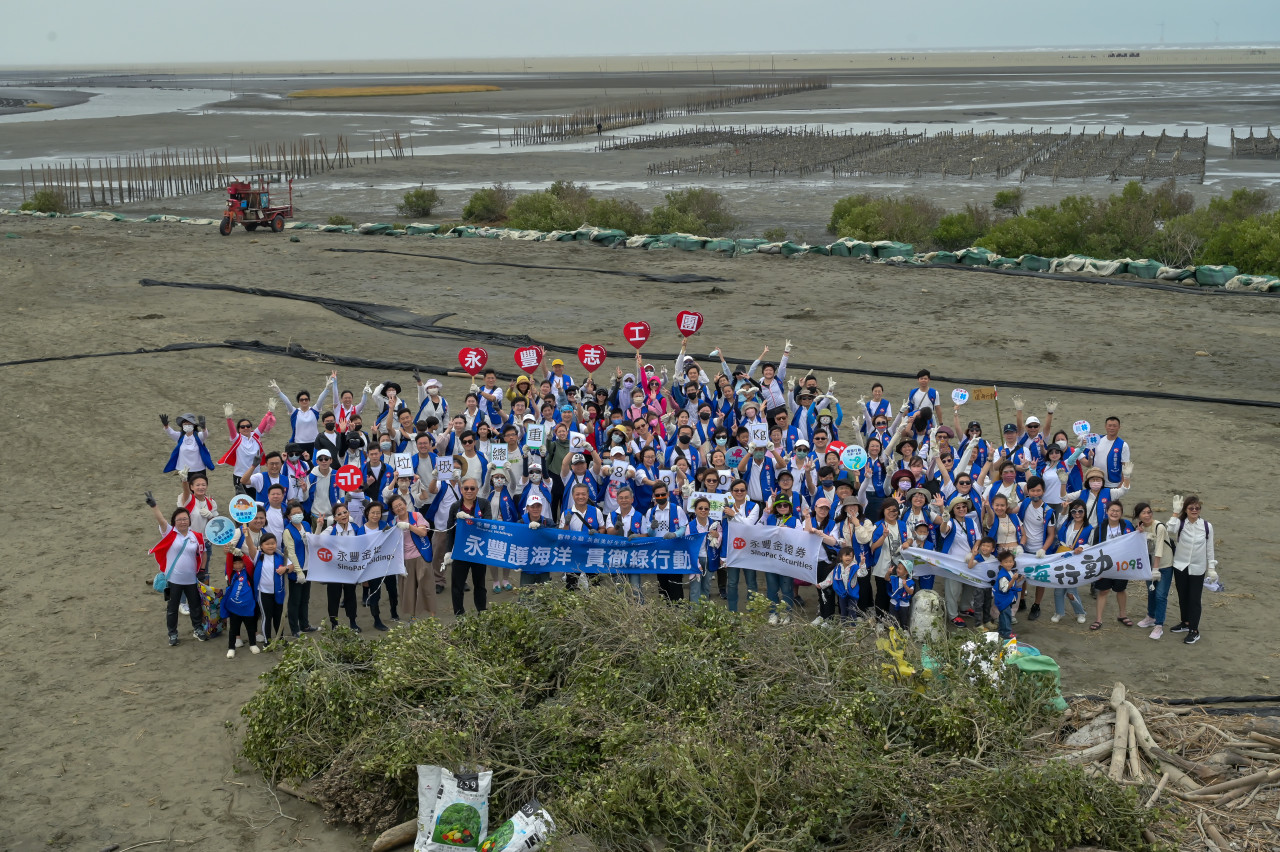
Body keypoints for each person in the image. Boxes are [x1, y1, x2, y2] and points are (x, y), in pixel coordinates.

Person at [146, 496, 209, 647]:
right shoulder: (169, 533)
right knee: (172, 608)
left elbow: (204, 553)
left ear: (189, 520)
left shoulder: (197, 537)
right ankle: (172, 634)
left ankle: (198, 629)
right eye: (179, 519)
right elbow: (161, 521)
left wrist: (201, 569)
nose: (182, 521)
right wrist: (154, 506)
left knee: (195, 606)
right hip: (172, 581)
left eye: (185, 519)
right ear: (174, 522)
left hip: (191, 580)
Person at [1167, 494, 1214, 645]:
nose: (1194, 510)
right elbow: (1169, 529)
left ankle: (1194, 630)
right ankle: (1185, 622)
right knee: (1183, 596)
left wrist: (1211, 568)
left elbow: (1210, 548)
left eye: (1197, 508)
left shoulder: (1207, 526)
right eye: (1191, 508)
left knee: (1194, 599)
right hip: (1180, 565)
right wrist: (1175, 512)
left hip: (1197, 568)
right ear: (1185, 509)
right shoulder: (1180, 523)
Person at [445, 478, 491, 616]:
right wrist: (448, 550)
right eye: (466, 488)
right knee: (457, 585)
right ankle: (459, 614)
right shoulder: (455, 506)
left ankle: (482, 611)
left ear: (477, 490)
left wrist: (469, 519)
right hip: (461, 550)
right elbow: (450, 530)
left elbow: (487, 524)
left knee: (480, 584)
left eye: (472, 488)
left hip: (478, 549)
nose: (469, 491)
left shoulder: (484, 504)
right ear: (461, 489)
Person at [1089, 500, 1135, 631]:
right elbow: (1094, 547)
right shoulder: (1100, 527)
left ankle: (1122, 615)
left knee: (1120, 589)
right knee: (1103, 591)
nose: (1114, 513)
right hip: (1105, 564)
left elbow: (1135, 539)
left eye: (1117, 511)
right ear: (1107, 512)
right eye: (1112, 510)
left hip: (1122, 564)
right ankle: (1098, 619)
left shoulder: (1127, 525)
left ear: (1121, 513)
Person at [388, 493, 431, 625]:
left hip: (420, 556)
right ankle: (413, 617)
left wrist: (408, 526)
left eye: (400, 504)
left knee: (425, 587)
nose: (399, 508)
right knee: (409, 590)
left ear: (405, 504)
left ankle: (428, 616)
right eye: (395, 507)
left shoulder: (416, 516)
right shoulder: (393, 523)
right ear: (393, 510)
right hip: (404, 560)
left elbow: (423, 532)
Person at [242, 531, 289, 644]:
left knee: (279, 617)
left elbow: (292, 566)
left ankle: (280, 639)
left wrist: (285, 569)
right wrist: (246, 535)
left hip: (279, 592)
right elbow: (250, 545)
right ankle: (267, 642)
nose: (270, 546)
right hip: (263, 593)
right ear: (261, 545)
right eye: (267, 544)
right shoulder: (257, 555)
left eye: (273, 543)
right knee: (266, 617)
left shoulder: (281, 556)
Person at [323, 503, 365, 631]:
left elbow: (364, 544)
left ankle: (353, 622)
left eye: (345, 512)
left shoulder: (356, 528)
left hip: (350, 569)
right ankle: (334, 624)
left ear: (349, 513)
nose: (343, 515)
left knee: (350, 595)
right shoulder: (330, 530)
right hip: (334, 570)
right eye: (339, 514)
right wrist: (319, 526)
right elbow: (316, 541)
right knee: (333, 597)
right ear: (335, 518)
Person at [1133, 502, 1171, 640]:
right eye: (1144, 513)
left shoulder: (1159, 527)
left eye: (1149, 512)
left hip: (1164, 564)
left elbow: (1159, 549)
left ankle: (1159, 625)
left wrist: (1156, 569)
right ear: (1138, 516)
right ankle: (1150, 616)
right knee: (1151, 591)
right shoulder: (1141, 528)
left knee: (1161, 595)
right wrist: (1140, 535)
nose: (1147, 515)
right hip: (1149, 565)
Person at [280, 500, 317, 637]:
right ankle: (295, 629)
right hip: (297, 569)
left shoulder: (306, 525)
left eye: (299, 512)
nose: (297, 515)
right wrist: (299, 571)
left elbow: (313, 541)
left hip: (309, 566)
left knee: (305, 598)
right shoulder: (287, 531)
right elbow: (291, 552)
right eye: (294, 514)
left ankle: (305, 624)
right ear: (289, 516)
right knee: (295, 600)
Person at [220, 552, 260, 658]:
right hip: (234, 608)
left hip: (248, 607)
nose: (237, 565)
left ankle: (253, 644)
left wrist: (241, 554)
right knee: (233, 629)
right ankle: (231, 648)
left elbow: (250, 564)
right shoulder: (231, 574)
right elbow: (228, 562)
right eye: (235, 563)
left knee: (251, 627)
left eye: (240, 563)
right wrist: (229, 551)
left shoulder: (248, 572)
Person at [686, 497, 721, 604]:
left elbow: (720, 540)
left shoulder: (715, 524)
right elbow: (689, 547)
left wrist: (718, 535)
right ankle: (694, 615)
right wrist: (696, 564)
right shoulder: (690, 526)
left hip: (710, 558)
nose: (703, 510)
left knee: (706, 587)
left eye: (706, 508)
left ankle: (704, 613)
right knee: (695, 589)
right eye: (700, 508)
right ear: (695, 510)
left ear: (709, 510)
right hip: (695, 560)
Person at [160, 411, 214, 477]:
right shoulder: (180, 436)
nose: (187, 425)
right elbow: (171, 432)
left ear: (194, 425)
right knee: (186, 486)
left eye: (189, 423)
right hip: (184, 469)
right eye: (185, 423)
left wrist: (204, 428)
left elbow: (205, 435)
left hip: (198, 468)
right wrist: (166, 426)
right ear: (182, 425)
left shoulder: (198, 436)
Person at [989, 549, 1022, 640]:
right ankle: (1006, 633)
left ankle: (1002, 631)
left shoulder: (1009, 572)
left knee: (1004, 615)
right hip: (1003, 599)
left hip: (1006, 599)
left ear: (1013, 562)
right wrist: (1013, 579)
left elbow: (1012, 584)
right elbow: (1005, 588)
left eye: (1010, 561)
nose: (1009, 564)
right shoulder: (1003, 575)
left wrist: (1017, 579)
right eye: (1006, 562)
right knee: (1006, 615)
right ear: (1001, 563)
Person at [887, 560, 915, 628]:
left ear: (906, 572)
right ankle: (894, 631)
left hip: (904, 604)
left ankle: (904, 631)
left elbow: (911, 592)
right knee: (893, 619)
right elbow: (887, 578)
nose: (897, 570)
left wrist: (905, 586)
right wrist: (888, 572)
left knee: (904, 619)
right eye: (897, 568)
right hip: (893, 602)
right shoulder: (894, 578)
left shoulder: (910, 582)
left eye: (900, 569)